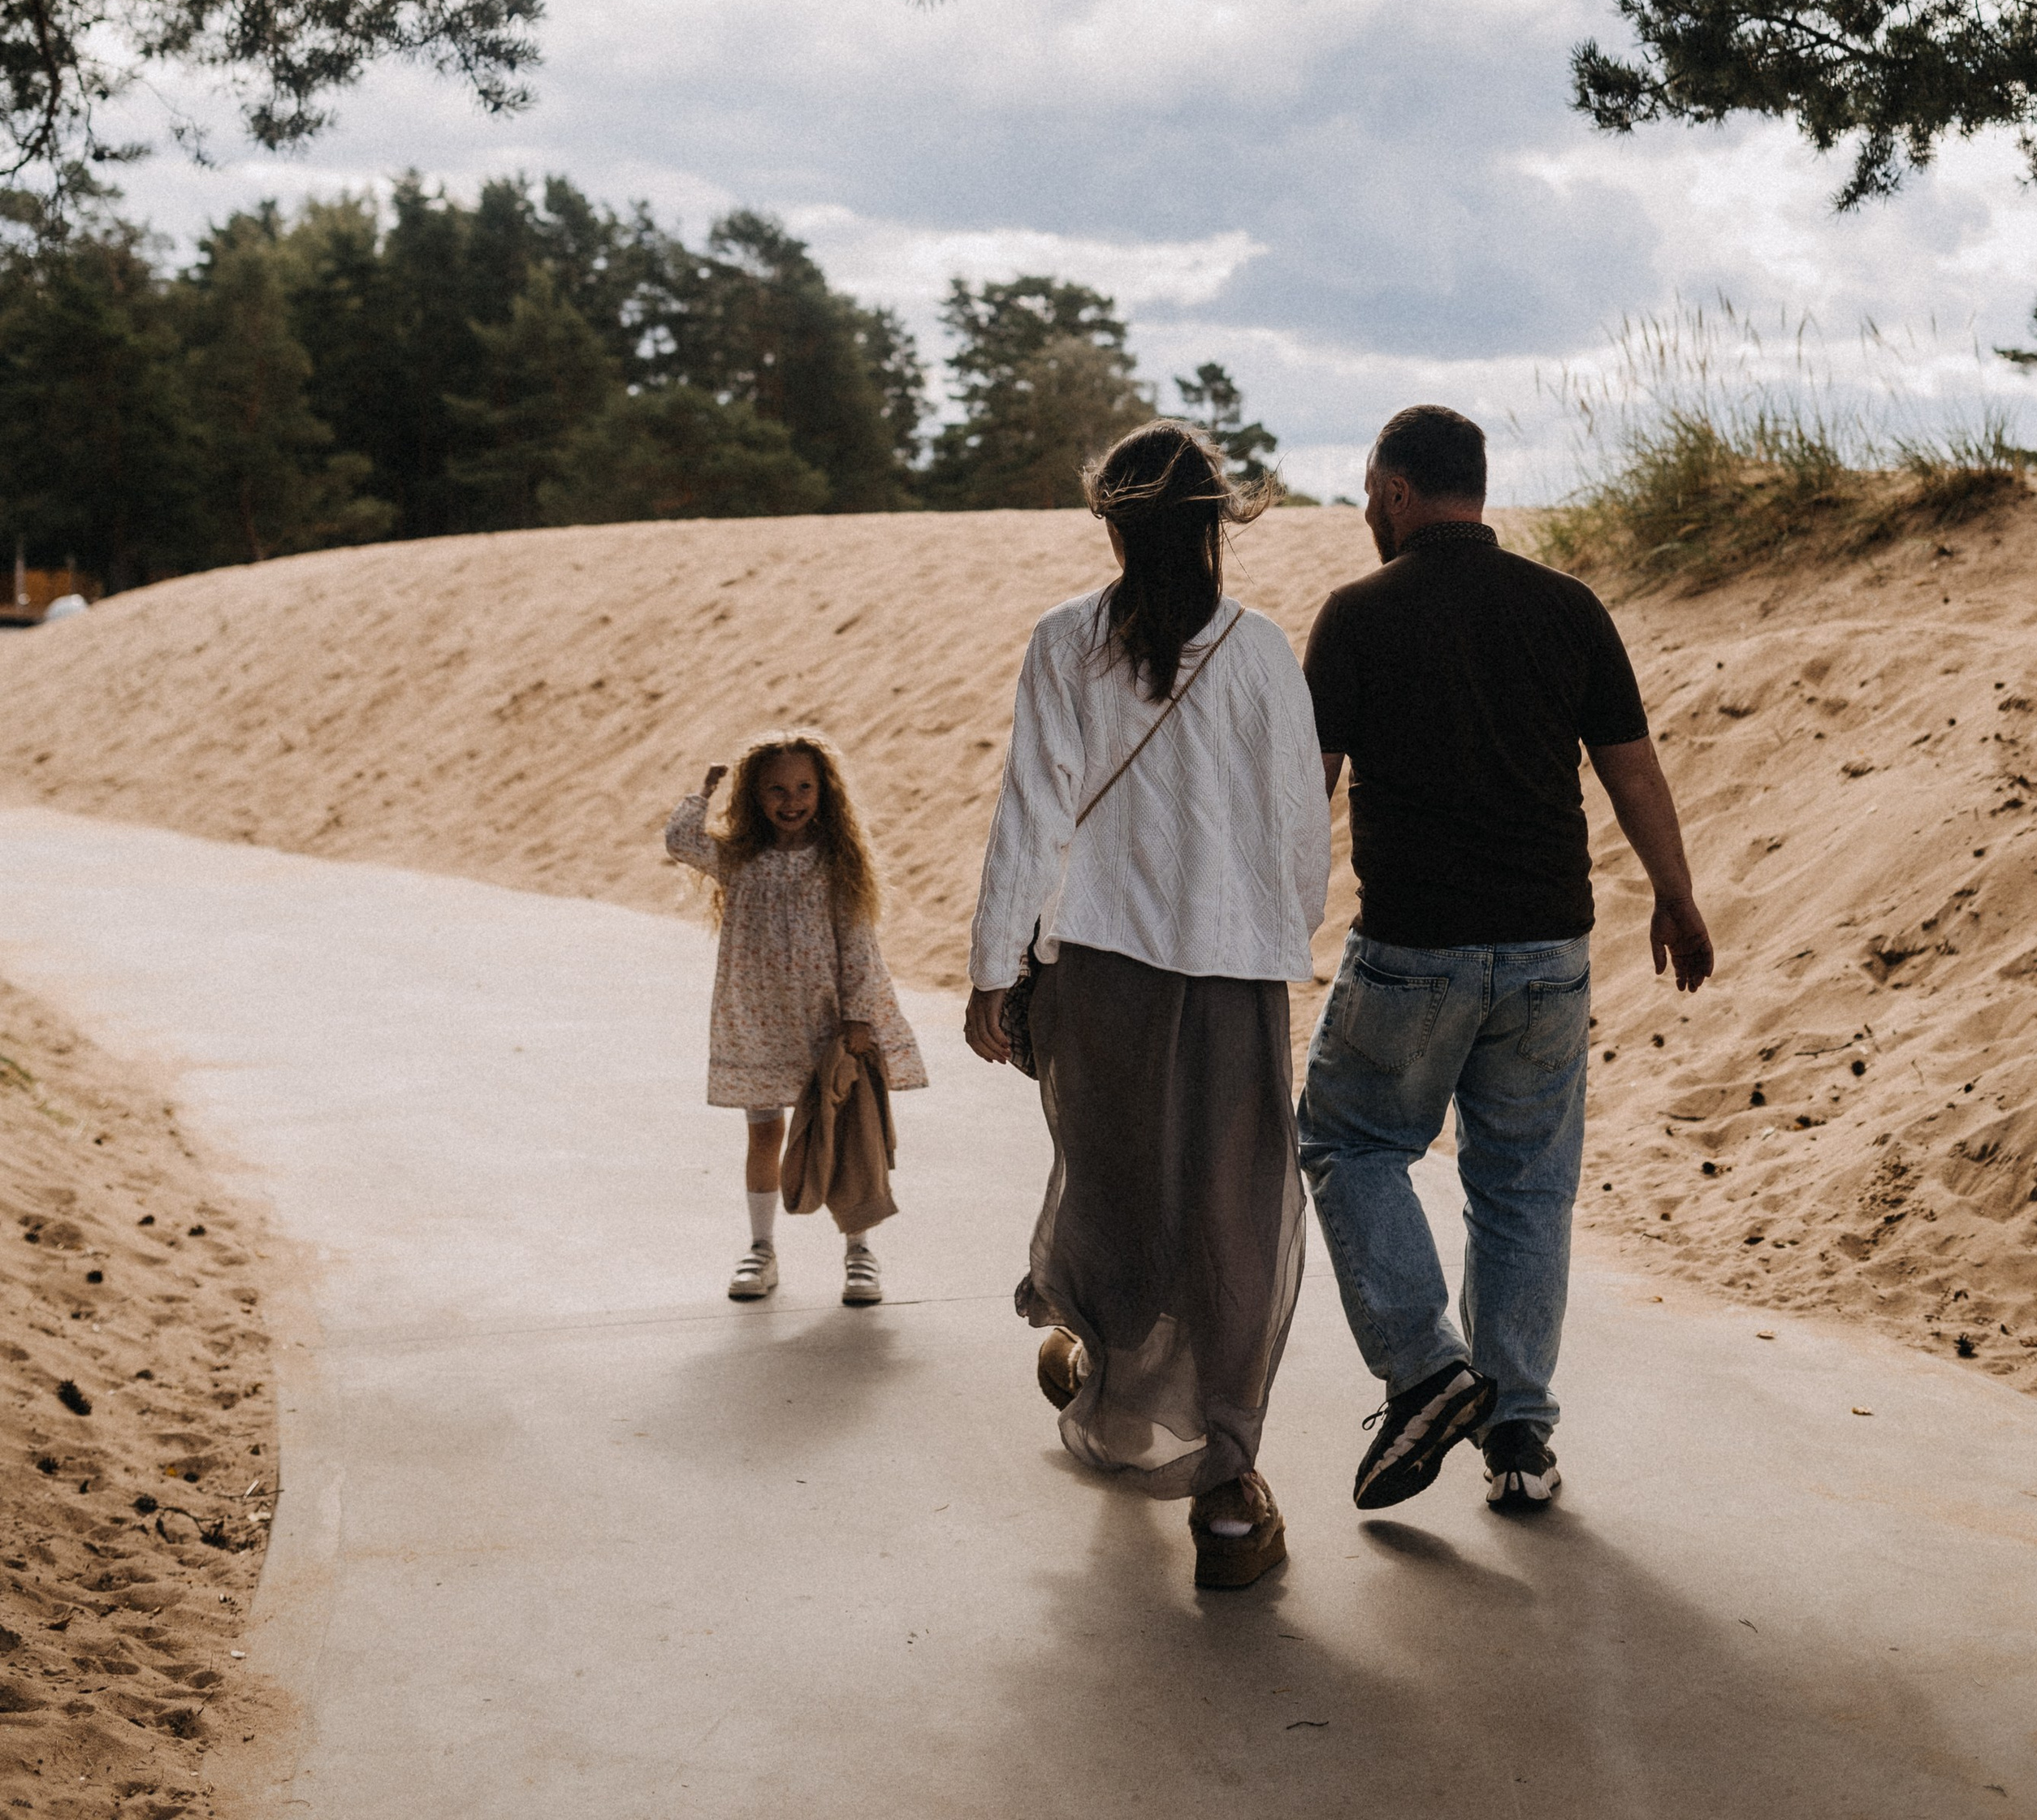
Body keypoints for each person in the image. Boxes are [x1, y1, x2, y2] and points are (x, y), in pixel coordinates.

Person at [1298, 404, 1714, 1517]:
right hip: (1548, 951)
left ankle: (1430, 1371)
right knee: (1525, 1185)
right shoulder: (1566, 608)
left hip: (1412, 950)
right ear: (1476, 489)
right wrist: (1675, 897)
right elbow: (1633, 768)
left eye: (1368, 495)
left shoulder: (1355, 616)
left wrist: (1269, 921)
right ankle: (1519, 1437)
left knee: (1347, 1141)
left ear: (1391, 491)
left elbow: (1309, 790)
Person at [966, 422, 1332, 1591]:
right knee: (1233, 1210)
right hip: (1230, 975)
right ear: (1219, 522)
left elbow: (1033, 814)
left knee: (1114, 1179)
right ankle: (1227, 1486)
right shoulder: (1264, 649)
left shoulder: (1062, 642)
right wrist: (1277, 943)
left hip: (1100, 970)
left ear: (1112, 525)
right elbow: (1301, 833)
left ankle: (1114, 1370)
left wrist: (993, 968)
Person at [666, 730, 927, 1308]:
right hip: (757, 1021)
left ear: (824, 792)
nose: (792, 799)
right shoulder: (738, 857)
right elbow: (681, 840)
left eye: (805, 787)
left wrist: (858, 1016)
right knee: (765, 1135)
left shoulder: (836, 863)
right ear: (755, 797)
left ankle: (859, 1250)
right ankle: (761, 1249)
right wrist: (705, 791)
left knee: (844, 1133)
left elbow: (858, 943)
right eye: (777, 789)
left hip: (825, 1023)